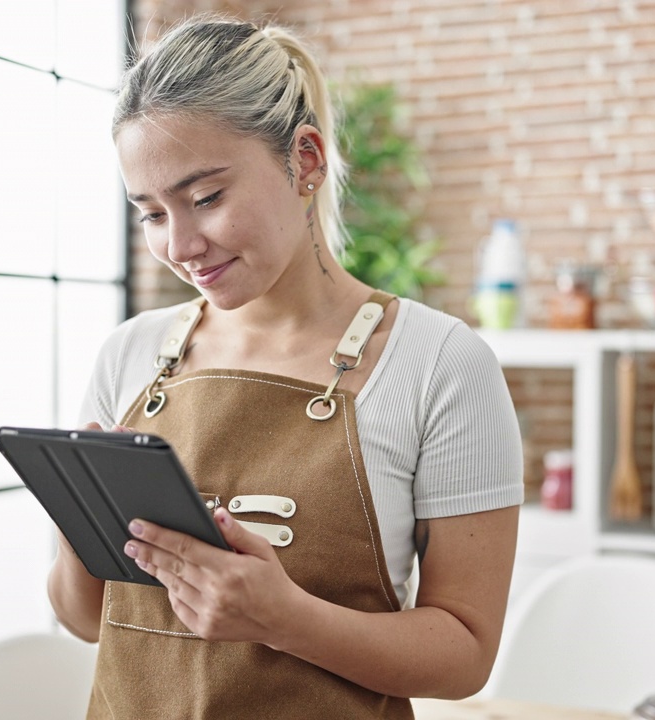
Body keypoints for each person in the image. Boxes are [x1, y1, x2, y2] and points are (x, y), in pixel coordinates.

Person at [47, 16, 523, 719]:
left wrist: (285, 618)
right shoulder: (131, 354)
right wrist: (73, 514)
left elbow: (465, 656)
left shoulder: (440, 365)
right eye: (150, 214)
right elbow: (90, 620)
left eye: (206, 198)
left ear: (304, 161)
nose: (181, 245)